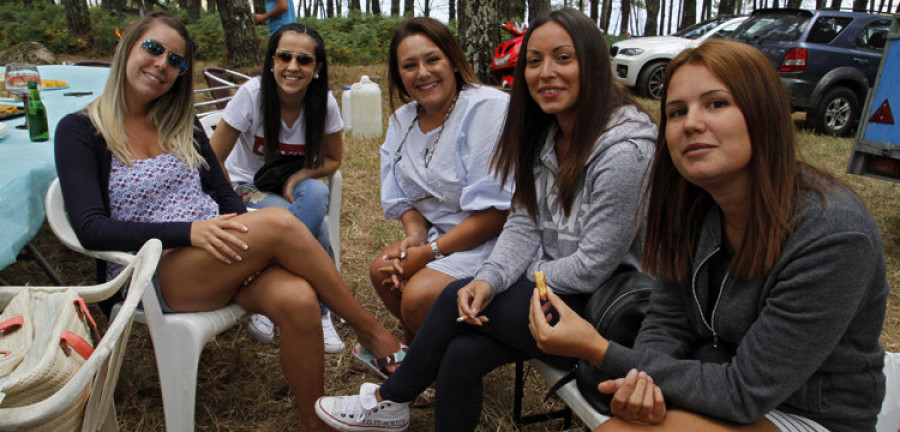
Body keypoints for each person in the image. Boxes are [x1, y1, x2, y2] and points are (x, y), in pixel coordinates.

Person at [53, 12, 405, 432]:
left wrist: (244, 239)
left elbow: (222, 193)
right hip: (152, 269)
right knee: (277, 222)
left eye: (176, 60)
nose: (162, 64)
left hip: (217, 253)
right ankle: (371, 333)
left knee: (298, 299)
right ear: (126, 47)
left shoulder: (178, 123)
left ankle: (315, 421)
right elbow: (89, 228)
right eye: (153, 49)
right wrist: (189, 232)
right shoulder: (81, 130)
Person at [315, 8, 656, 431]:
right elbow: (523, 222)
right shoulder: (546, 134)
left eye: (563, 58)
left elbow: (593, 267)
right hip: (555, 294)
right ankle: (399, 398)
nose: (546, 73)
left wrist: (504, 282)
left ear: (593, 62)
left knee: (446, 299)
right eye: (534, 61)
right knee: (460, 355)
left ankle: (391, 397)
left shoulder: (625, 149)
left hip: (604, 316)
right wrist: (490, 277)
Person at [528, 39, 888, 432]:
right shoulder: (693, 205)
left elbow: (745, 391)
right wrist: (643, 384)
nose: (692, 123)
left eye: (716, 103)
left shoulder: (832, 233)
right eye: (677, 112)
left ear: (763, 112)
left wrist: (598, 349)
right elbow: (667, 319)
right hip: (714, 380)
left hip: (807, 413)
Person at [367, 16, 512, 349]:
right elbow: (403, 197)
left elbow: (496, 214)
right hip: (440, 236)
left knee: (416, 296)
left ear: (453, 60)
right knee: (383, 273)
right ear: (399, 74)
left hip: (496, 241)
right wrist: (416, 237)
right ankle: (427, 355)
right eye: (409, 65)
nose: (422, 73)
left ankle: (441, 358)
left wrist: (429, 254)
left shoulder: (487, 110)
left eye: (432, 59)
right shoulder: (402, 120)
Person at [210, 23, 344, 352]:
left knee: (317, 193)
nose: (293, 66)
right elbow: (214, 158)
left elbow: (333, 158)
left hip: (287, 183)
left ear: (317, 69)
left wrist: (298, 178)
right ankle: (322, 311)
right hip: (245, 186)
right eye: (284, 56)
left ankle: (268, 287)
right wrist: (230, 203)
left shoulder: (324, 103)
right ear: (271, 61)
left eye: (304, 60)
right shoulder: (252, 95)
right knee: (309, 229)